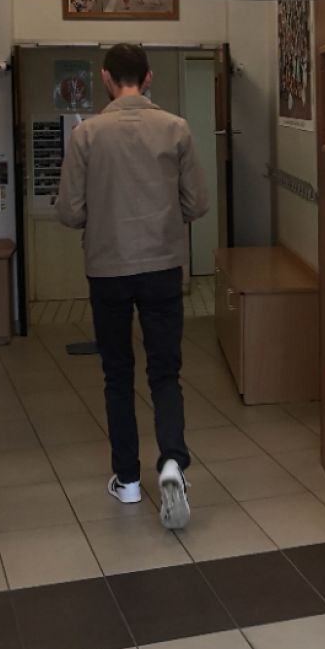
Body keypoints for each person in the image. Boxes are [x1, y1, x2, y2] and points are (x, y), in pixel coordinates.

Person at [57, 44, 209, 528]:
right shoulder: (176, 128)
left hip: (107, 269)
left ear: (105, 78)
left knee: (117, 375)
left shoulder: (86, 134)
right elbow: (197, 203)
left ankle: (126, 479)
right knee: (165, 372)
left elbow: (69, 212)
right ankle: (172, 463)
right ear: (148, 77)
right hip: (162, 265)